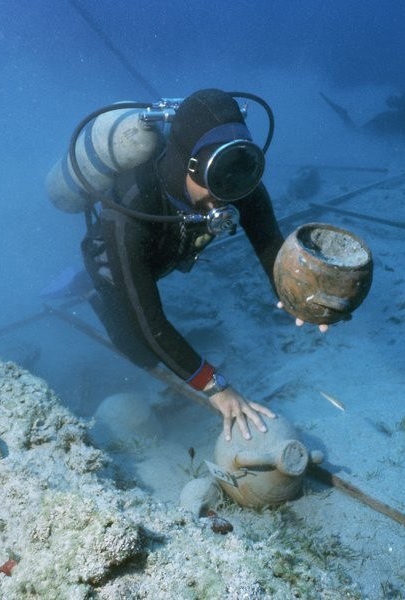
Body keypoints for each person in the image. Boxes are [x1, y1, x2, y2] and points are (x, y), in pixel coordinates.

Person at [80, 89, 296, 442]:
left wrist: (297, 296)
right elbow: (151, 323)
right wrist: (216, 386)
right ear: (185, 163)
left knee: (154, 317)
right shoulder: (127, 211)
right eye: (215, 179)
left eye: (234, 176)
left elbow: (270, 244)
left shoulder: (235, 182)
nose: (226, 196)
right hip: (116, 261)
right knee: (140, 350)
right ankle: (88, 289)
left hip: (169, 251)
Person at [321, 89, 405, 141]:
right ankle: (343, 113)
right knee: (359, 134)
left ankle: (343, 113)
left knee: (360, 134)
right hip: (387, 121)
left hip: (393, 124)